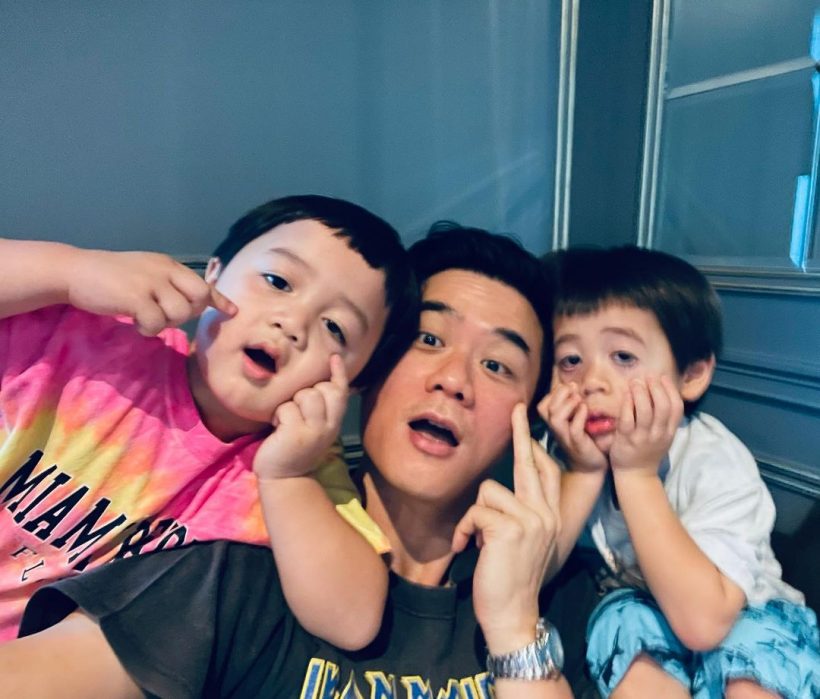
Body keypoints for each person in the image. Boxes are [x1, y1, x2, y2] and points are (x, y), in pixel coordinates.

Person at [3, 223, 575, 698]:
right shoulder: (236, 560)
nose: (454, 380)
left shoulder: (563, 593)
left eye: (498, 365)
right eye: (428, 339)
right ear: (366, 375)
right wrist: (71, 268)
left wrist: (514, 624)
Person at [0, 194, 419, 648]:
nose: (292, 322)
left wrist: (286, 477)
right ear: (214, 273)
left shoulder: (302, 475)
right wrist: (70, 271)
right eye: (277, 281)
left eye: (335, 328)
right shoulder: (93, 337)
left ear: (354, 382)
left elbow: (352, 622)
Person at [538, 246, 819, 699]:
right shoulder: (559, 449)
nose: (591, 381)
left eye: (623, 356)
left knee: (753, 676)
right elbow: (530, 577)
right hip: (639, 604)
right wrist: (583, 472)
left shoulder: (714, 460)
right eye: (571, 360)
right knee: (630, 644)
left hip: (741, 609)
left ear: (691, 375)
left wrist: (637, 475)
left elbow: (705, 624)